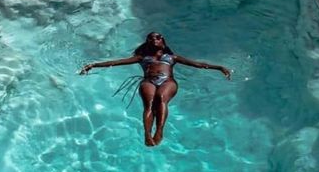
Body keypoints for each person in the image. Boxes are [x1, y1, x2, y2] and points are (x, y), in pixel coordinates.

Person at [80, 31, 232, 147]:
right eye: (151, 38)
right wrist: (94, 65)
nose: (154, 39)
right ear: (147, 43)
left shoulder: (173, 57)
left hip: (168, 81)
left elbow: (198, 64)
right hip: (148, 81)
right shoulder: (142, 58)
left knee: (161, 99)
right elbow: (117, 62)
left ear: (163, 41)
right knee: (150, 104)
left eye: (158, 37)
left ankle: (159, 130)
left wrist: (219, 67)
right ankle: (147, 134)